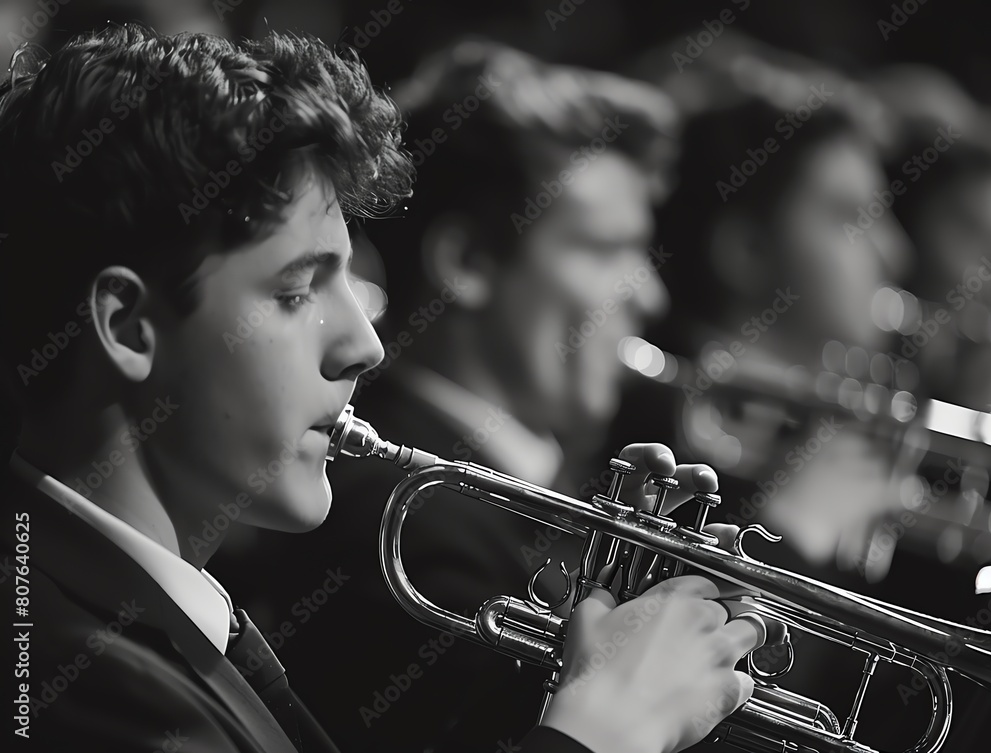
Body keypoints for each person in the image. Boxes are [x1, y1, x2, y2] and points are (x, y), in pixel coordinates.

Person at [0, 25, 773, 753]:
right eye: (298, 290)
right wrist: (602, 726)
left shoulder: (155, 618)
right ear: (130, 325)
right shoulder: (68, 674)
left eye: (349, 280)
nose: (365, 344)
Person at [208, 38, 684, 752]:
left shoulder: (533, 488)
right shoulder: (402, 524)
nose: (650, 293)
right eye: (604, 248)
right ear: (468, 262)